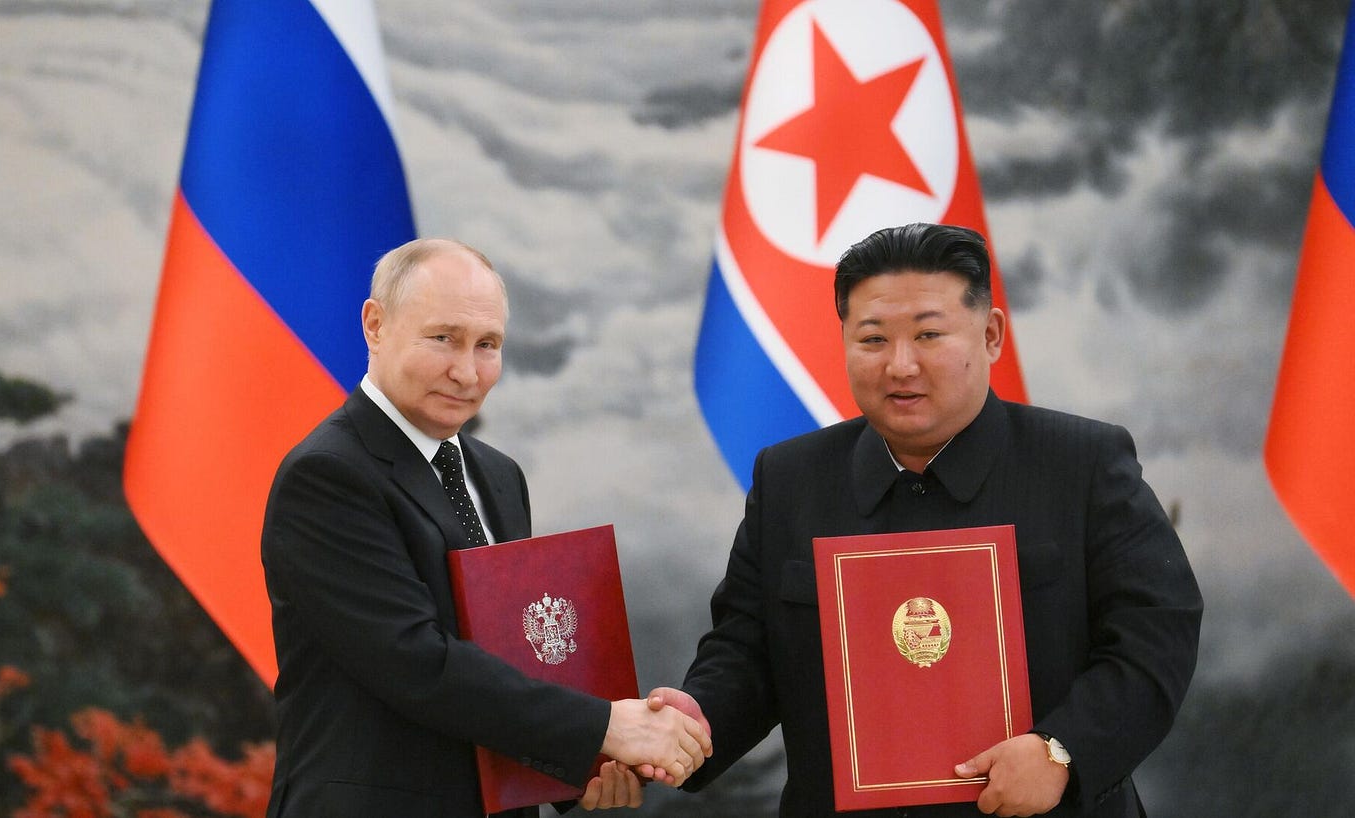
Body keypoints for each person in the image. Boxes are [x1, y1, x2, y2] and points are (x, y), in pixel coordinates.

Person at [646, 223, 1202, 817]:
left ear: (990, 335)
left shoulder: (1082, 465)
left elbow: (1155, 638)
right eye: (873, 339)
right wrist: (694, 721)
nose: (901, 365)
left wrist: (1062, 753)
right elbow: (746, 649)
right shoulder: (791, 479)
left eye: (929, 335)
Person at [260, 238, 708, 817]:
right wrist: (603, 727)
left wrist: (585, 769)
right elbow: (416, 664)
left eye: (487, 345)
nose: (466, 371)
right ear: (375, 325)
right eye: (443, 338)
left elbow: (514, 653)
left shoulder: (498, 475)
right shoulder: (327, 475)